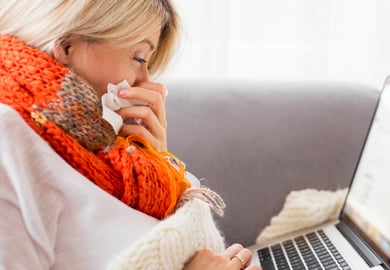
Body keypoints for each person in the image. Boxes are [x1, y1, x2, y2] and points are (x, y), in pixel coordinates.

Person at [0, 1, 260, 269]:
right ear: (68, 47)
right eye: (138, 58)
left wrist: (157, 160)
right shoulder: (8, 136)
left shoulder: (101, 146)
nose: (146, 81)